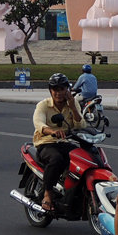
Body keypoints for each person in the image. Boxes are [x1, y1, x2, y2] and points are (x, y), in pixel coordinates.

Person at [30, 73, 84, 212]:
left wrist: (72, 107)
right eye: (55, 89)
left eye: (62, 89)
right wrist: (52, 131)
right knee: (56, 159)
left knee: (83, 158)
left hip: (65, 142)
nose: (59, 93)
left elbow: (81, 125)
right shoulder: (43, 105)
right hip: (46, 143)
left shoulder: (72, 103)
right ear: (50, 90)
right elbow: (38, 123)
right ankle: (48, 194)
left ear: (68, 90)